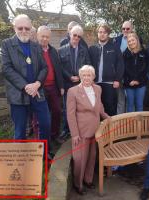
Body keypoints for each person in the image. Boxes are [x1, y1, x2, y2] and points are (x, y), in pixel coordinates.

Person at [0, 14, 51, 155]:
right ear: (14, 27)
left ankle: (43, 154)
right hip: (18, 95)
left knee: (46, 124)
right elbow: (6, 69)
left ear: (30, 28)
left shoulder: (36, 46)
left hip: (37, 92)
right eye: (20, 28)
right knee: (20, 130)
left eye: (27, 28)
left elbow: (44, 67)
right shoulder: (6, 45)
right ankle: (20, 161)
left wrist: (37, 83)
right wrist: (26, 86)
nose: (23, 31)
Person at [67, 65, 110, 195]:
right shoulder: (73, 91)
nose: (86, 77)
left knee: (92, 157)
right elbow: (70, 114)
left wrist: (107, 117)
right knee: (80, 159)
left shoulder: (98, 88)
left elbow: (99, 106)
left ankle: (88, 180)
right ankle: (77, 184)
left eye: (89, 75)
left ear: (93, 77)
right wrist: (74, 134)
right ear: (80, 76)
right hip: (81, 131)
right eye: (84, 75)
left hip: (95, 129)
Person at [58, 25, 91, 139]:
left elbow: (88, 65)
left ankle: (79, 129)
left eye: (79, 36)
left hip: (80, 84)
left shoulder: (84, 50)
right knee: (68, 109)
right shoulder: (61, 50)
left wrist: (79, 77)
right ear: (70, 35)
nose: (76, 37)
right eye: (74, 35)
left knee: (80, 107)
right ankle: (67, 130)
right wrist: (69, 76)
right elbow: (60, 67)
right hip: (68, 84)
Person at [89, 23, 124, 116]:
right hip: (95, 83)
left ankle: (111, 129)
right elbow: (89, 66)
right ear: (97, 34)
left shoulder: (115, 47)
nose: (102, 34)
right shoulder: (92, 48)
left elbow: (120, 64)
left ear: (108, 34)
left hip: (110, 83)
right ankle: (100, 129)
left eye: (104, 32)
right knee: (97, 108)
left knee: (110, 107)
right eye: (100, 32)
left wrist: (117, 80)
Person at [37, 25, 64, 143]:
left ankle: (55, 134)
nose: (44, 39)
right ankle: (44, 139)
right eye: (42, 36)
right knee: (42, 116)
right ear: (38, 36)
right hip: (40, 88)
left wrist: (61, 86)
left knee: (57, 111)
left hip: (53, 87)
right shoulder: (34, 51)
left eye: (47, 37)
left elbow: (58, 69)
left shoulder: (53, 51)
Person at [123, 32, 148, 112]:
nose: (131, 42)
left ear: (137, 40)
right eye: (129, 41)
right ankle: (130, 124)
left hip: (141, 84)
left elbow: (146, 68)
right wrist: (129, 81)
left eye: (133, 40)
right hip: (129, 84)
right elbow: (123, 70)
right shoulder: (125, 54)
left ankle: (139, 124)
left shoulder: (144, 53)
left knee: (139, 105)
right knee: (130, 105)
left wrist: (138, 80)